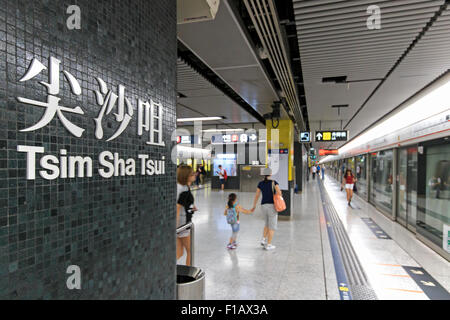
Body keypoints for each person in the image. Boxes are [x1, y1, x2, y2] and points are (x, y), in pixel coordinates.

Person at [251, 167, 281, 250]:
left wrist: (254, 205)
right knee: (272, 226)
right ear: (270, 174)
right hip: (272, 206)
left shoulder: (260, 183)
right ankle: (269, 244)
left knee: (266, 224)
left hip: (263, 206)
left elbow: (257, 195)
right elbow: (279, 193)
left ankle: (263, 240)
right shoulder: (274, 182)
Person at [176, 165, 198, 266]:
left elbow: (183, 203)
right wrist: (176, 228)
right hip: (182, 225)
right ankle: (189, 273)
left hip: (181, 223)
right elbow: (177, 207)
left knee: (179, 253)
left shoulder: (183, 187)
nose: (195, 175)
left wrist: (191, 207)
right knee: (190, 251)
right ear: (186, 176)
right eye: (192, 174)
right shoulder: (184, 189)